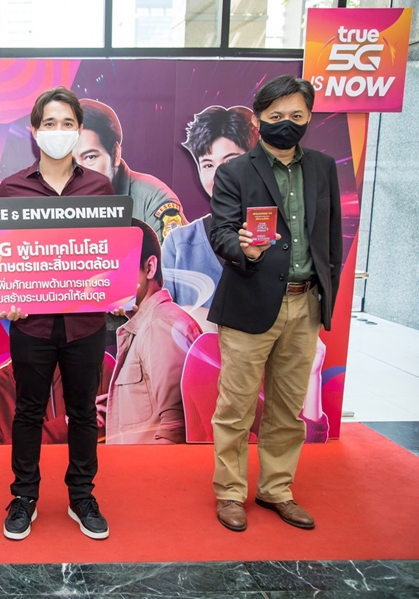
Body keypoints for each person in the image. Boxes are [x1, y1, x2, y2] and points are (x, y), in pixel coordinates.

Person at [208, 75, 342, 532]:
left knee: (288, 408)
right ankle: (230, 493)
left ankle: (276, 489)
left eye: (297, 115)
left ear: (309, 117)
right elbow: (221, 232)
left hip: (305, 305)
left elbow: (330, 237)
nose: (287, 123)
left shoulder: (323, 167)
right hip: (249, 302)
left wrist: (327, 293)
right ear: (259, 118)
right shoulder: (235, 172)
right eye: (277, 115)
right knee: (236, 408)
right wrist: (243, 248)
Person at [0, 87, 113, 541]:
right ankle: (24, 496)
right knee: (28, 410)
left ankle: (82, 495)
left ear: (79, 130)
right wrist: (5, 296)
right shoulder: (12, 189)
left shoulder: (99, 187)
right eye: (49, 123)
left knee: (83, 411)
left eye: (67, 123)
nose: (58, 131)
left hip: (86, 323)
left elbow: (110, 254)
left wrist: (117, 287)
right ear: (34, 131)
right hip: (31, 322)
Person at [104, 219, 202, 444]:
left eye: (116, 266)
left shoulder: (160, 326)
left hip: (153, 467)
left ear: (149, 267)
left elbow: (175, 429)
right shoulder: (148, 325)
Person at [163, 106, 259, 325]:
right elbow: (162, 318)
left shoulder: (279, 234)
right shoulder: (179, 243)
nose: (219, 174)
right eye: (208, 164)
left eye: (231, 161)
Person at [74, 98, 187, 242]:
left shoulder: (153, 200)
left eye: (90, 157)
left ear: (116, 154)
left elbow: (174, 255)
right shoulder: (55, 201)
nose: (78, 173)